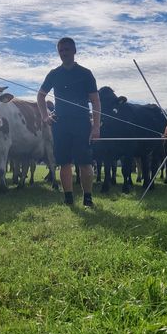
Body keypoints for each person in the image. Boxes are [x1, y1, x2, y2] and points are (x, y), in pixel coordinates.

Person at [37, 37, 101, 207]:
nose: (64, 53)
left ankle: (88, 199)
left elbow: (95, 101)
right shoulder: (54, 74)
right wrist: (45, 116)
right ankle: (69, 199)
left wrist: (95, 127)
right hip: (60, 123)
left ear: (74, 51)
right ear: (59, 53)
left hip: (81, 122)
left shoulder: (85, 74)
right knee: (64, 163)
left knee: (85, 162)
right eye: (61, 51)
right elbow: (40, 95)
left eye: (67, 50)